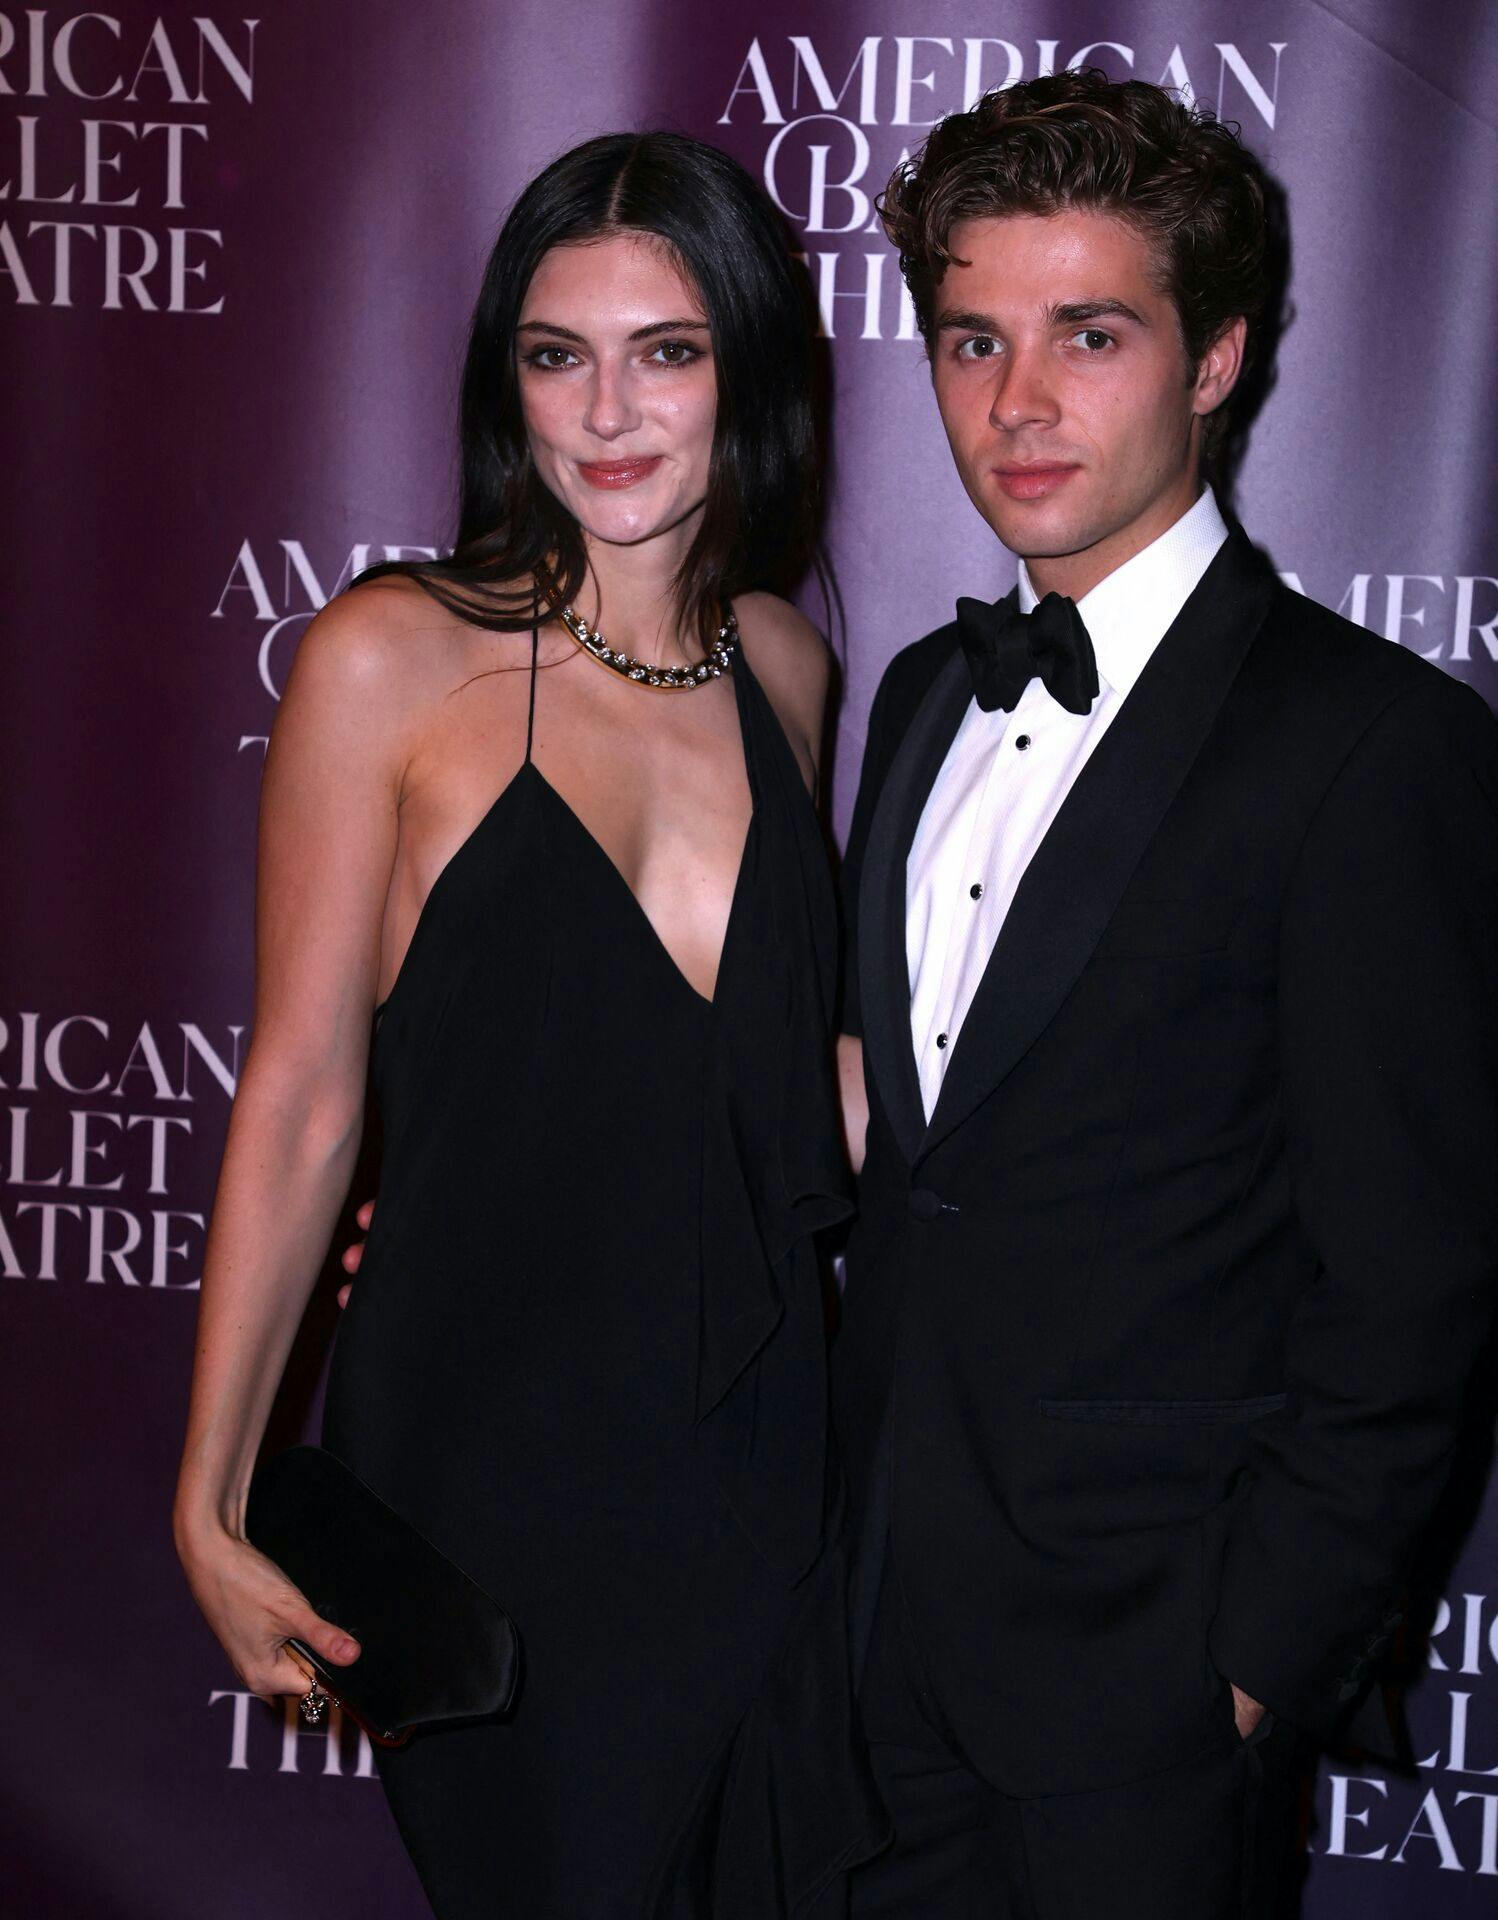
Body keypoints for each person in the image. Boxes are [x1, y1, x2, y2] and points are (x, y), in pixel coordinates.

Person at [172, 131, 885, 1919]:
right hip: (487, 1469)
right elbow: (307, 1093)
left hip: (757, 1467)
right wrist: (212, 1498)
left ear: (750, 367)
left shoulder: (790, 668)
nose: (605, 411)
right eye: (555, 355)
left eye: (667, 350)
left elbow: (784, 1094)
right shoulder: (390, 658)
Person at [827, 72, 1498, 1917]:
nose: (1015, 404)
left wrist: (1249, 1662)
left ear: (1215, 360)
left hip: (1143, 1682)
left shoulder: (1372, 750)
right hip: (867, 1644)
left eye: (1087, 336)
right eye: (970, 340)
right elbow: (900, 1134)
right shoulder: (912, 704)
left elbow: (1410, 1280)